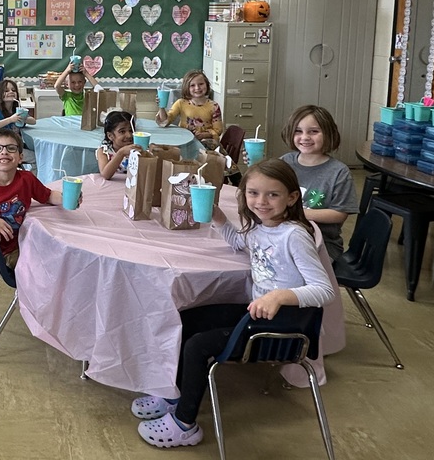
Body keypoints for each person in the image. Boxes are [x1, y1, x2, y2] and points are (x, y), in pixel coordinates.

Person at [131, 159, 334, 448]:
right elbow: (240, 243)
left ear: (291, 198)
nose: (261, 202)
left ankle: (185, 424)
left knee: (197, 345)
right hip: (258, 314)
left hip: (282, 327)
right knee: (185, 320)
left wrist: (279, 296)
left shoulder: (294, 235)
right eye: (253, 193)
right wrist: (217, 218)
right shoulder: (260, 227)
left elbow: (324, 290)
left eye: (272, 195)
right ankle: (174, 393)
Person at [0, 129, 72, 266]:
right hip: (10, 252)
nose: (4, 152)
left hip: (31, 240)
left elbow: (48, 196)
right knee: (52, 265)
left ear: (20, 157)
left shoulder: (27, 179)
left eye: (11, 148)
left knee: (66, 255)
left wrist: (67, 198)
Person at [280, 105, 359, 263]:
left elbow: (340, 214)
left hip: (322, 244)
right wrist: (256, 164)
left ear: (328, 134)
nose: (305, 137)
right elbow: (267, 190)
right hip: (283, 236)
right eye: (298, 131)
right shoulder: (285, 162)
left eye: (313, 131)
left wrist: (298, 213)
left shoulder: (339, 172)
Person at [156, 69, 222, 149]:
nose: (197, 88)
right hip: (184, 142)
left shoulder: (214, 106)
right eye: (192, 85)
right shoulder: (181, 103)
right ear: (187, 87)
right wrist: (161, 107)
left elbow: (218, 130)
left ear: (207, 85)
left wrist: (204, 135)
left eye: (201, 84)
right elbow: (164, 122)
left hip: (206, 145)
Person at [0, 78, 36, 166]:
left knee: (37, 151)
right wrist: (10, 119)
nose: (11, 92)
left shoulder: (17, 110)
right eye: (6, 91)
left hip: (16, 145)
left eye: (13, 90)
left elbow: (33, 121)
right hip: (5, 147)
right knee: (36, 158)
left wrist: (23, 118)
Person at [95, 110, 142, 179]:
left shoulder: (138, 148)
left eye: (131, 130)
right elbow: (105, 175)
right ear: (110, 136)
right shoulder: (104, 151)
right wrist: (121, 153)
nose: (129, 135)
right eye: (122, 131)